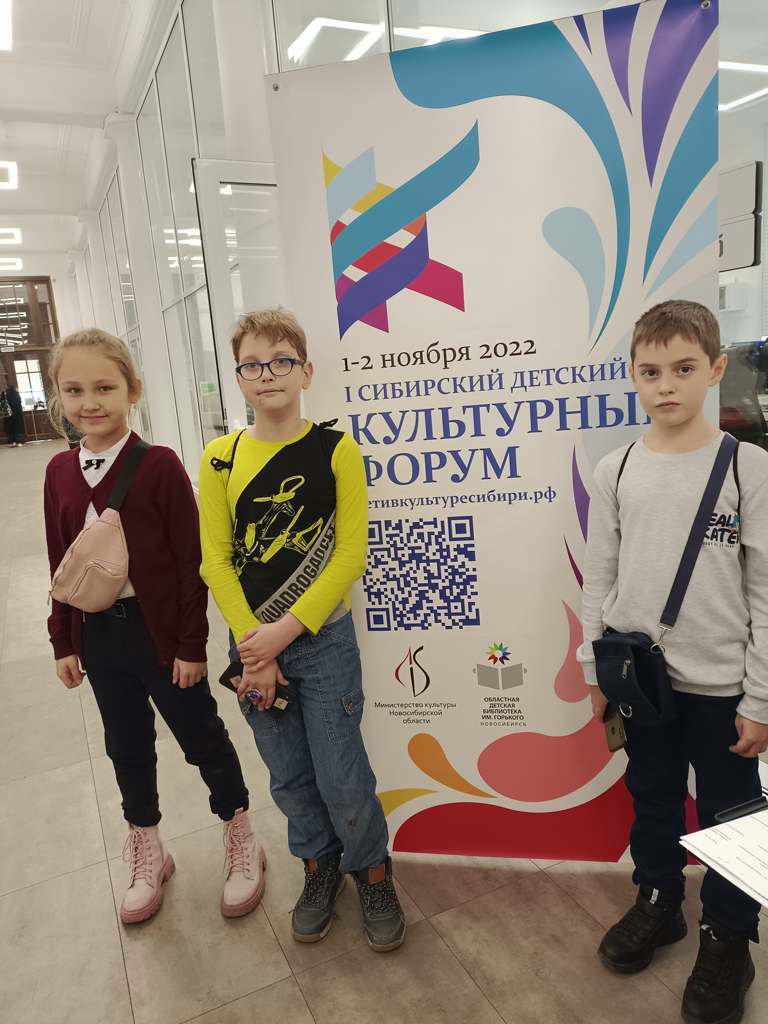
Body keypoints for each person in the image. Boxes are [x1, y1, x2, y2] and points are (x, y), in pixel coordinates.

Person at [578, 300, 768, 1024]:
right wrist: (594, 668)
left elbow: (765, 591)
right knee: (652, 796)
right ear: (633, 375)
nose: (666, 386)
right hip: (641, 682)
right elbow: (600, 575)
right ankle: (659, 898)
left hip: (723, 687)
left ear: (715, 370)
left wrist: (761, 698)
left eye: (684, 369)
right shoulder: (617, 467)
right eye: (651, 372)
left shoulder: (749, 468)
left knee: (732, 815)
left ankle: (729, 934)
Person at [198, 308, 406, 953]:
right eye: (253, 364)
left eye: (281, 361)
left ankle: (372, 874)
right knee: (287, 774)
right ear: (238, 378)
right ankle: (319, 869)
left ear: (306, 371)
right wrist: (254, 646)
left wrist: (283, 632)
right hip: (252, 648)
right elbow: (216, 560)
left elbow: (349, 555)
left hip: (322, 641)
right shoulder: (220, 459)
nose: (268, 374)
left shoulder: (337, 450)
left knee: (343, 773)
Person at [44, 328, 265, 925]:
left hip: (160, 635)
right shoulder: (59, 472)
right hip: (98, 635)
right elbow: (61, 561)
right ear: (59, 396)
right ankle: (148, 847)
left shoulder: (159, 465)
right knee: (126, 745)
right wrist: (63, 639)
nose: (90, 402)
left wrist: (191, 645)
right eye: (74, 390)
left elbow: (193, 563)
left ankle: (240, 834)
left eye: (104, 387)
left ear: (132, 390)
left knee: (201, 736)